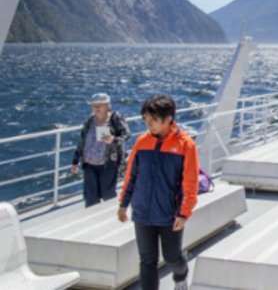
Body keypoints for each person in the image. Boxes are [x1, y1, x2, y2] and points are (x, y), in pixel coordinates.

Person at [118, 95, 198, 290]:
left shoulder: (186, 145)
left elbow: (190, 183)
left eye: (153, 120)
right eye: (146, 119)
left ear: (169, 118)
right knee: (147, 260)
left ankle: (181, 274)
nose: (148, 124)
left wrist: (184, 212)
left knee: (172, 257)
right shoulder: (141, 142)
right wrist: (123, 204)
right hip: (142, 213)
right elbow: (131, 175)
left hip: (169, 214)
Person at [71, 92, 131, 207]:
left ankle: (110, 218)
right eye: (94, 105)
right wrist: (75, 161)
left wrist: (113, 140)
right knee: (90, 198)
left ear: (107, 105)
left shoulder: (115, 118)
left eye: (100, 105)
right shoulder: (90, 121)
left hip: (108, 163)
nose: (96, 108)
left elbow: (127, 134)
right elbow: (82, 141)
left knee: (108, 194)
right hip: (89, 164)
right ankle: (90, 221)